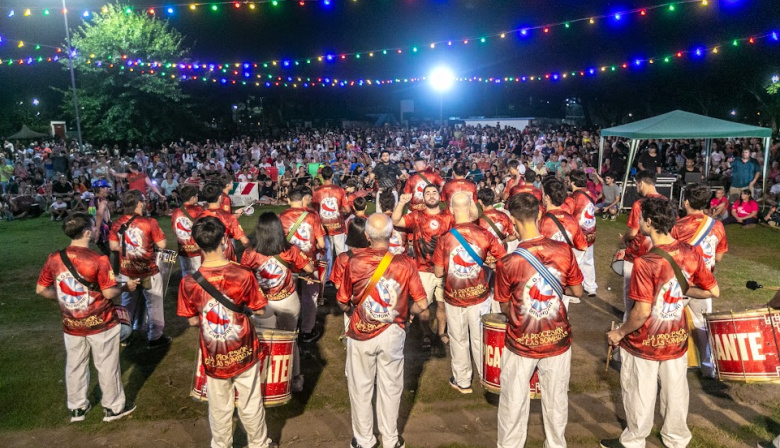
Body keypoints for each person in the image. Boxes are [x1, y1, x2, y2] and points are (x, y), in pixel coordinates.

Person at [601, 197, 719, 448]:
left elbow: (642, 312)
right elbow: (712, 290)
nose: (639, 221)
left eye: (642, 217)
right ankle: (676, 438)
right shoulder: (690, 251)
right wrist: (682, 291)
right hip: (675, 338)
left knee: (639, 392)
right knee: (675, 392)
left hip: (644, 342)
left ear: (650, 222)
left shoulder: (646, 262)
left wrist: (619, 333)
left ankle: (634, 440)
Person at [494, 193, 584, 448]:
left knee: (513, 401)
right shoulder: (563, 250)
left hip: (521, 341)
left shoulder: (508, 262)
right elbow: (577, 291)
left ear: (512, 220)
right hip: (557, 339)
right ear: (539, 215)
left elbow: (504, 305)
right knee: (556, 400)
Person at [177, 216, 273, 448]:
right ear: (224, 240)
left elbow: (191, 321)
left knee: (219, 406)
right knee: (250, 401)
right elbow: (261, 311)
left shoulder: (189, 282)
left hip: (213, 354)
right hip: (244, 350)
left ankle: (221, 445)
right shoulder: (242, 274)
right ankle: (259, 444)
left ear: (198, 245)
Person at [336, 213, 428, 448]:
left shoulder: (353, 263)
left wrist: (352, 309)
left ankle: (365, 440)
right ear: (391, 235)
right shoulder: (405, 263)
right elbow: (422, 304)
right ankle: (390, 439)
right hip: (392, 332)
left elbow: (343, 301)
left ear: (366, 236)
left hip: (360, 332)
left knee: (361, 387)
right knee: (391, 386)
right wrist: (406, 314)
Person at [36, 213, 139, 423]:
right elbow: (109, 293)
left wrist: (64, 300)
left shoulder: (54, 258)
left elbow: (40, 290)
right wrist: (126, 287)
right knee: (107, 365)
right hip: (101, 322)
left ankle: (77, 408)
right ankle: (113, 408)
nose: (94, 231)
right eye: (92, 227)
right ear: (86, 232)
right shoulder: (98, 259)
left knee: (75, 365)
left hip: (71, 323)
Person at [433, 192, 505, 393]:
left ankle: (462, 380)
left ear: (451, 210)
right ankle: (486, 376)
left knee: (458, 338)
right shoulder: (484, 234)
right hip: (479, 294)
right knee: (479, 337)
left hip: (454, 296)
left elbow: (438, 271)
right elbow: (503, 260)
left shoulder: (445, 238)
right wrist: (489, 262)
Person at [241, 212, 315, 392]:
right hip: (288, 300)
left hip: (262, 303)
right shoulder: (290, 250)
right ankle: (295, 379)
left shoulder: (249, 254)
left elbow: (242, 277)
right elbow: (310, 268)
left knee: (265, 342)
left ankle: (267, 380)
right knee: (290, 340)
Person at [671, 184, 728, 379]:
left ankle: (674, 363)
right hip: (706, 283)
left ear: (686, 202)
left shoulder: (677, 226)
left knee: (671, 321)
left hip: (681, 282)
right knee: (703, 325)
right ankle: (708, 367)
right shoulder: (717, 226)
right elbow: (718, 257)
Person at [392, 185, 453, 349]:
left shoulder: (448, 216)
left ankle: (441, 333)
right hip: (422, 269)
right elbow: (395, 220)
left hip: (444, 270)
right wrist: (401, 203)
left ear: (439, 196)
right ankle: (426, 333)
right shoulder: (417, 216)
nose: (431, 195)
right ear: (423, 198)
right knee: (423, 304)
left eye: (434, 192)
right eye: (427, 193)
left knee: (442, 304)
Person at [109, 189, 170, 347]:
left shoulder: (117, 223)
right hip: (148, 270)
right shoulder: (149, 222)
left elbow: (113, 246)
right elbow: (162, 244)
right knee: (154, 303)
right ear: (139, 204)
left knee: (127, 303)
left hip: (127, 270)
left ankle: (125, 335)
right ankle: (155, 337)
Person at [279, 187, 326, 343]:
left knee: (290, 295)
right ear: (303, 199)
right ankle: (307, 330)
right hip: (309, 263)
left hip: (288, 263)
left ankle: (290, 328)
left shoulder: (281, 217)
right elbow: (320, 243)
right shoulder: (312, 216)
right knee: (309, 297)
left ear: (288, 200)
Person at [620, 171, 666, 322]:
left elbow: (633, 231)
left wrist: (624, 239)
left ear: (640, 183)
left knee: (631, 292)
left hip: (637, 255)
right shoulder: (667, 202)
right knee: (655, 291)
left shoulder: (639, 204)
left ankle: (629, 320)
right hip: (660, 255)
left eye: (636, 184)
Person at [312, 165, 350, 281]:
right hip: (338, 225)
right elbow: (347, 209)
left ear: (322, 177)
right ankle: (343, 276)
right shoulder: (340, 190)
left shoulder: (317, 191)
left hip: (323, 227)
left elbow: (315, 211)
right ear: (333, 175)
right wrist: (339, 210)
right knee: (341, 252)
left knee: (326, 254)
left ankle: (326, 278)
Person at [563, 170, 598, 297]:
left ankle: (574, 290)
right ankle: (591, 287)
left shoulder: (574, 197)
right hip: (590, 233)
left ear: (572, 182)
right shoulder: (591, 193)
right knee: (588, 260)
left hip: (578, 235)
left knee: (575, 263)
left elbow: (568, 213)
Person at [199, 183, 251, 262]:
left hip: (206, 259)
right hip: (225, 257)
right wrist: (252, 253)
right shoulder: (228, 217)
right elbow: (245, 241)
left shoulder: (199, 217)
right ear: (220, 197)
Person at [170, 185, 204, 275]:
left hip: (183, 248)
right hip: (196, 249)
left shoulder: (176, 212)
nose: (197, 197)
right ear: (192, 198)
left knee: (186, 272)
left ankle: (186, 288)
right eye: (196, 196)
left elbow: (174, 229)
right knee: (199, 273)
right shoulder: (198, 210)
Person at [378, 190, 409, 255]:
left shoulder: (375, 222)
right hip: (402, 260)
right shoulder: (404, 220)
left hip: (382, 262)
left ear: (380, 205)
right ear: (395, 204)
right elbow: (411, 240)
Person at [91, 179, 113, 256]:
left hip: (95, 227)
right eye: (106, 188)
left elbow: (91, 215)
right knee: (107, 253)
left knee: (104, 251)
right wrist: (97, 231)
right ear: (101, 189)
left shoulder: (92, 200)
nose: (108, 190)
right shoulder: (103, 202)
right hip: (102, 229)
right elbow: (99, 215)